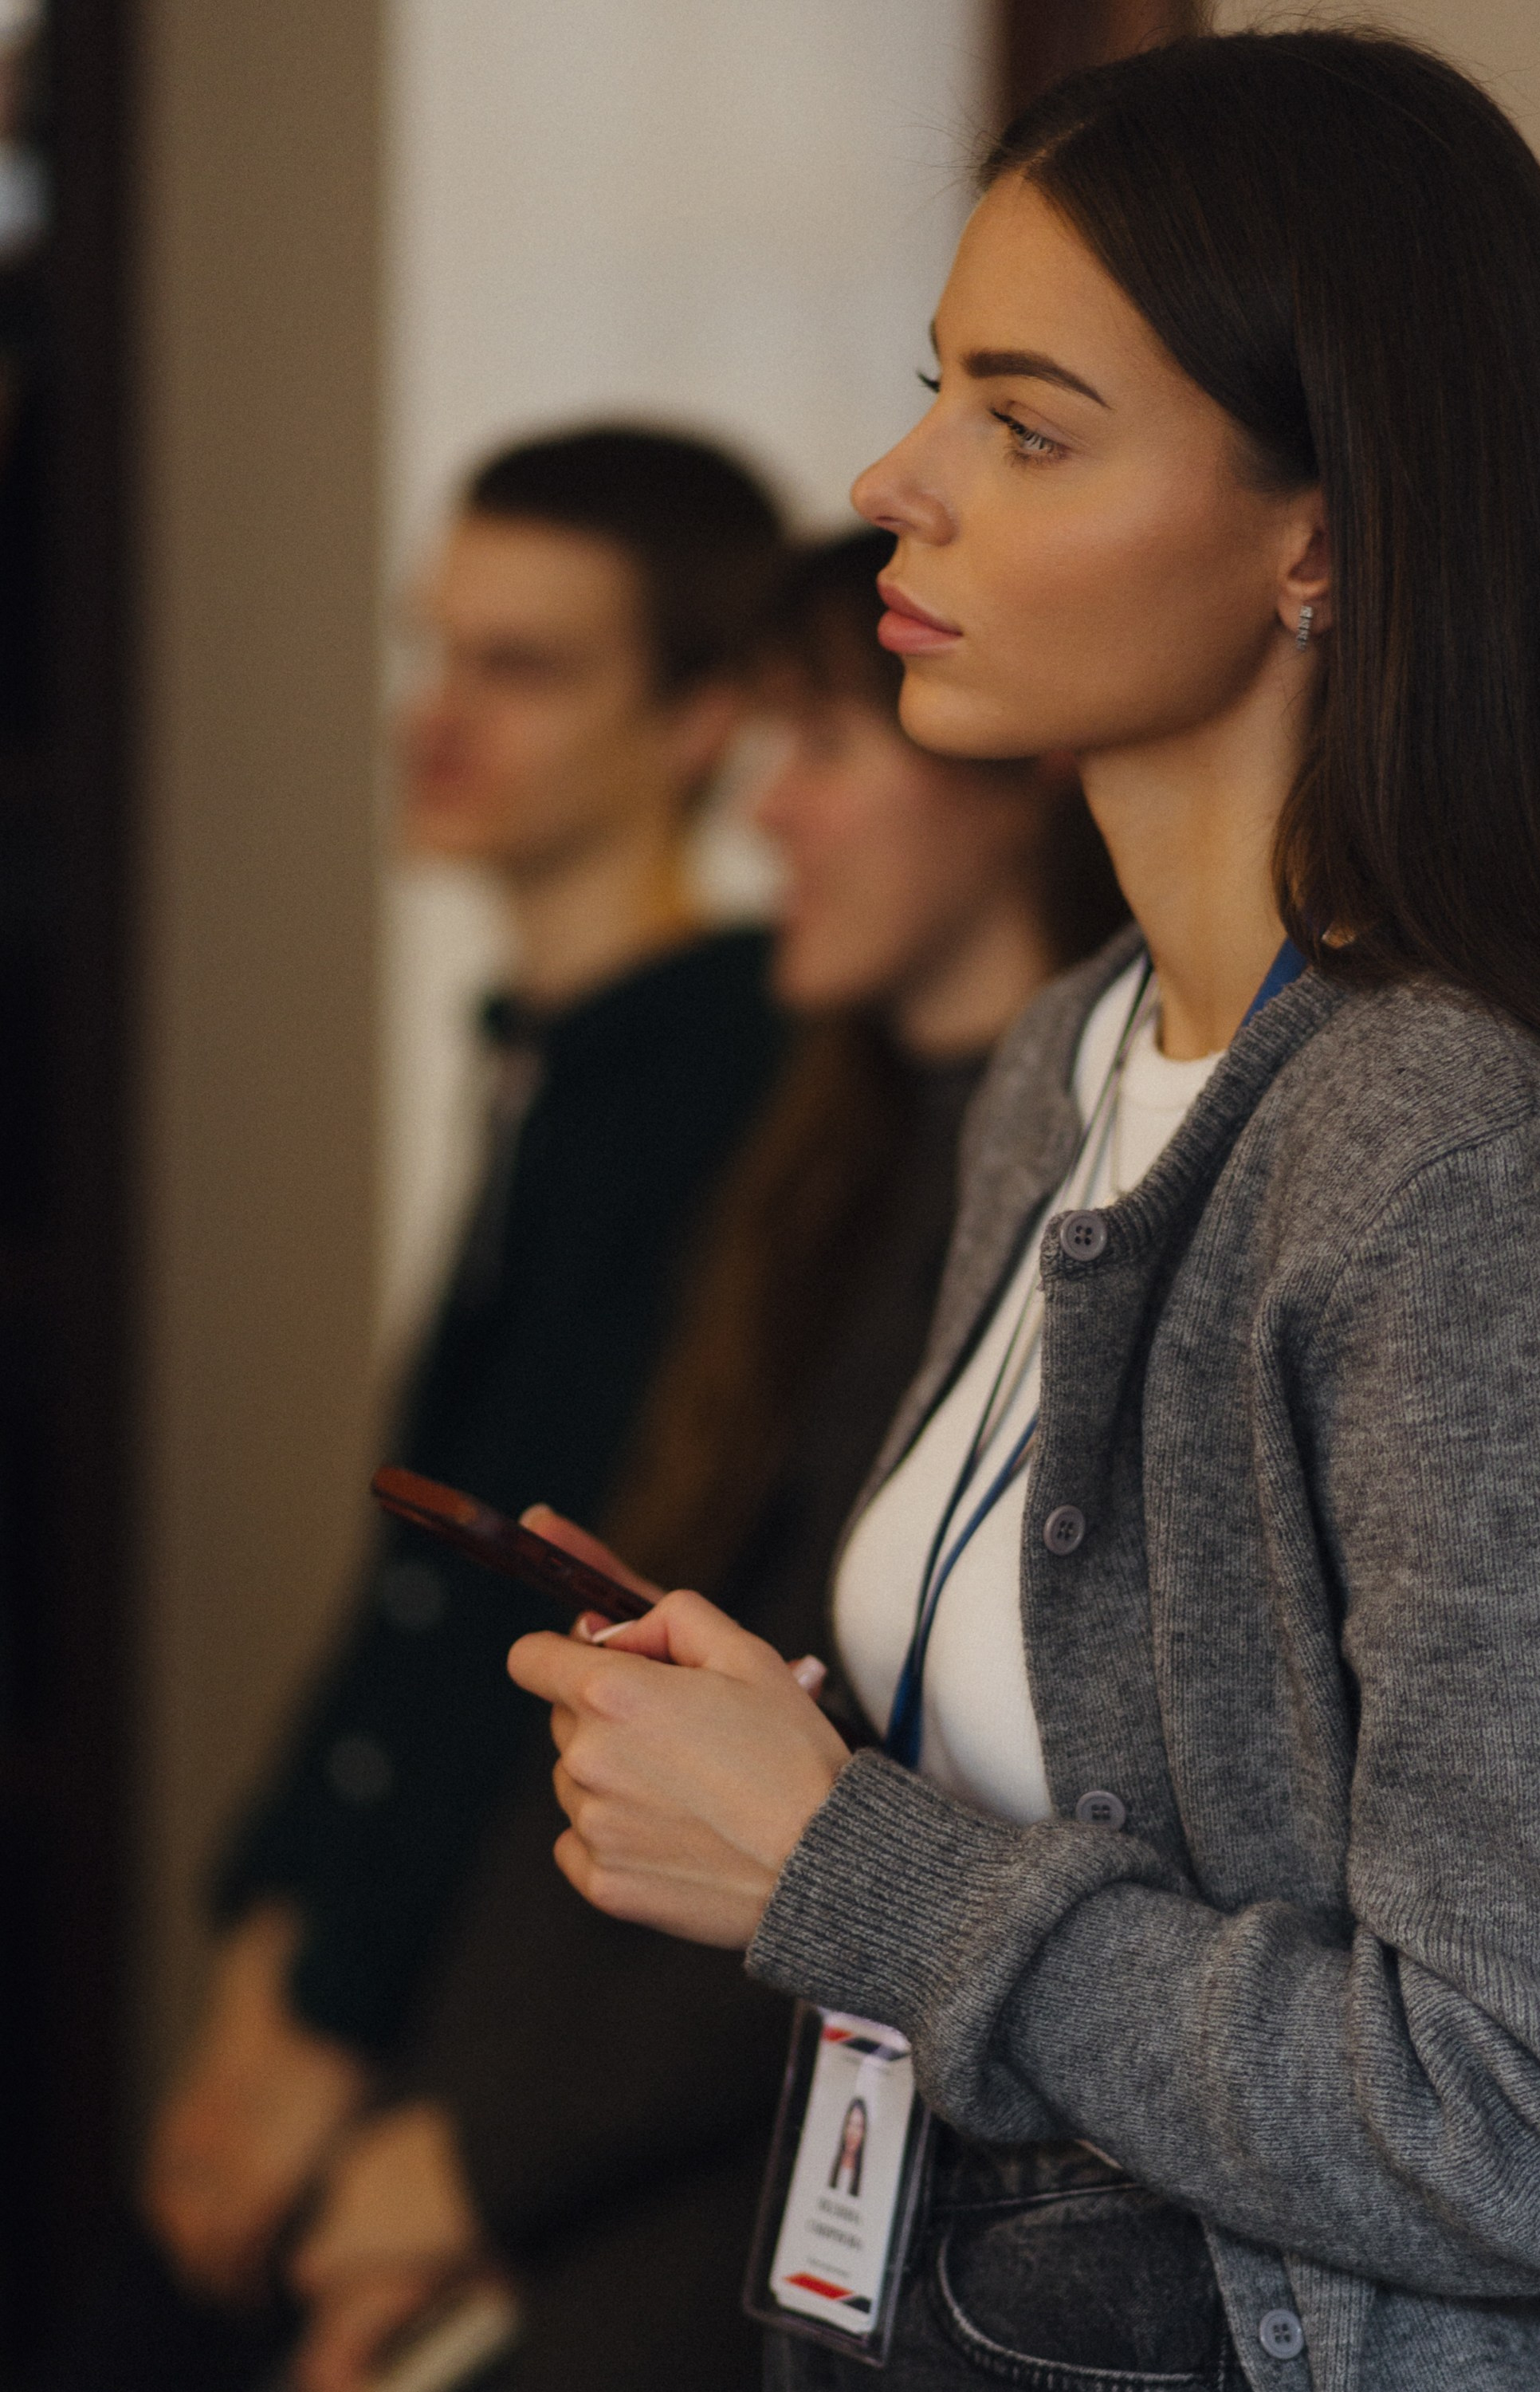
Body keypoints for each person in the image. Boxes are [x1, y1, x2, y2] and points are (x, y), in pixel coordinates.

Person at [511, 32, 1540, 2392]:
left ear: (1324, 536)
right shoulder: (1070, 1060)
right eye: (938, 393)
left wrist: (847, 1870)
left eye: (1028, 428)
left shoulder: (1449, 1165)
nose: (893, 485)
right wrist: (798, 1775)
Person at [273, 528, 1126, 2392]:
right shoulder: (824, 1145)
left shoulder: (1073, 1177)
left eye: (823, 742)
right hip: (639, 2104)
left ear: (1009, 782)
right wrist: (444, 2124)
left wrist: (479, 2167)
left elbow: (850, 1786)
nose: (766, 815)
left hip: (788, 2129)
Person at [54, 426, 790, 2392]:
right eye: (431, 649)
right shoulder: (560, 1057)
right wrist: (270, 1946)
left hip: (507, 2016)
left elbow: (527, 1600)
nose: (436, 716)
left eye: (521, 667)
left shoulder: (718, 1079)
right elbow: (412, 1570)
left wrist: (332, 2015)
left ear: (701, 719)